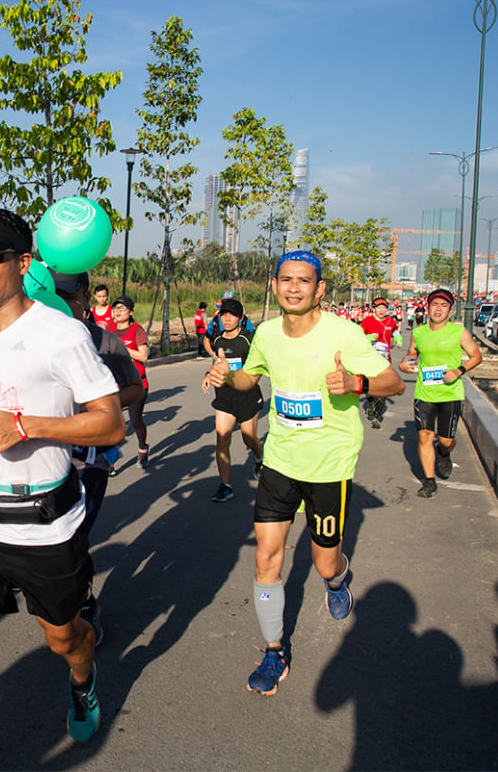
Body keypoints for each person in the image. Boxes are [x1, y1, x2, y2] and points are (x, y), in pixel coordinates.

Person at [0, 208, 124, 768]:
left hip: (46, 528)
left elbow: (110, 422)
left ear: (23, 262)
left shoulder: (60, 334)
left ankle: (83, 678)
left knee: (64, 642)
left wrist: (27, 426)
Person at [205, 250, 404, 696]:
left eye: (304, 280)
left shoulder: (346, 334)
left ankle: (336, 579)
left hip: (329, 465)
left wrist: (359, 385)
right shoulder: (269, 334)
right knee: (266, 557)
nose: (294, 287)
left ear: (320, 289)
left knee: (322, 561)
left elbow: (394, 381)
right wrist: (224, 374)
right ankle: (274, 651)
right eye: (287, 279)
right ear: (274, 286)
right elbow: (249, 378)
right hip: (279, 461)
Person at [52, 268, 144, 647]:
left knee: (76, 534)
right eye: (52, 297)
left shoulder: (104, 341)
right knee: (53, 537)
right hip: (45, 455)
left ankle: (84, 603)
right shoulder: (32, 340)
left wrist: (98, 403)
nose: (60, 305)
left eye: (69, 297)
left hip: (90, 458)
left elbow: (135, 389)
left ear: (86, 297)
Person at [398, 289, 483, 498]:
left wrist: (459, 371)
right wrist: (403, 365)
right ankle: (429, 481)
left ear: (450, 310)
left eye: (443, 306)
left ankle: (444, 454)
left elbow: (476, 356)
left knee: (445, 440)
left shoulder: (458, 332)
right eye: (434, 304)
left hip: (450, 394)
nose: (438, 309)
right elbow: (411, 355)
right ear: (428, 308)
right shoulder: (419, 332)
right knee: (424, 436)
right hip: (424, 393)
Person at [201, 298, 264, 502]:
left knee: (248, 437)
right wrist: (208, 375)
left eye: (232, 315)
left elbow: (257, 368)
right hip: (225, 398)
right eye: (224, 315)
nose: (227, 319)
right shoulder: (217, 339)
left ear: (241, 318)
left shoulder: (249, 338)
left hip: (247, 396)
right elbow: (217, 364)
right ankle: (225, 486)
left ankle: (258, 458)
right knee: (222, 438)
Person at [109, 295, 150, 470]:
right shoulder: (109, 329)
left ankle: (143, 447)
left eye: (122, 308)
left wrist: (122, 348)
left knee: (134, 420)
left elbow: (143, 356)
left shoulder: (136, 330)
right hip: (114, 385)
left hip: (136, 384)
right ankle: (108, 459)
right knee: (112, 421)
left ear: (131, 312)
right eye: (115, 308)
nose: (117, 312)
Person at [360, 296, 401, 429]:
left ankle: (377, 416)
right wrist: (368, 337)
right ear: (374, 309)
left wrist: (398, 338)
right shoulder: (367, 322)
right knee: (371, 386)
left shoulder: (390, 321)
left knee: (383, 387)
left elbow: (395, 331)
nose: (382, 310)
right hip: (370, 359)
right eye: (379, 308)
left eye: (384, 307)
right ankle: (370, 401)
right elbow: (358, 337)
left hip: (385, 359)